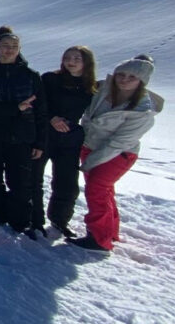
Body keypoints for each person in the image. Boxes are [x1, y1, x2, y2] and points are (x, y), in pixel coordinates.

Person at [69, 55, 163, 251]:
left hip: (118, 154)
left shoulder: (143, 112)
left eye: (132, 77)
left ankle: (98, 239)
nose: (125, 80)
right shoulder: (104, 88)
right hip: (91, 146)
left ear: (141, 81)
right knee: (104, 190)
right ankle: (108, 232)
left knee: (96, 188)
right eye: (122, 74)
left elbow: (118, 143)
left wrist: (89, 162)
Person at [0, 26, 47, 236]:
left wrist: (41, 142)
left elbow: (41, 111)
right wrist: (15, 109)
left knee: (20, 180)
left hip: (21, 135)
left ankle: (19, 219)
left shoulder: (30, 75)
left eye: (14, 46)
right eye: (5, 46)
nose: (9, 50)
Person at [35, 46, 97, 238]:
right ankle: (34, 219)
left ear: (86, 62)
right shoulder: (50, 79)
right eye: (68, 57)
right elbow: (37, 103)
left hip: (70, 138)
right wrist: (52, 118)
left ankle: (60, 219)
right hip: (44, 134)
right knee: (33, 178)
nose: (71, 61)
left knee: (67, 182)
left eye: (77, 58)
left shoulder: (91, 88)